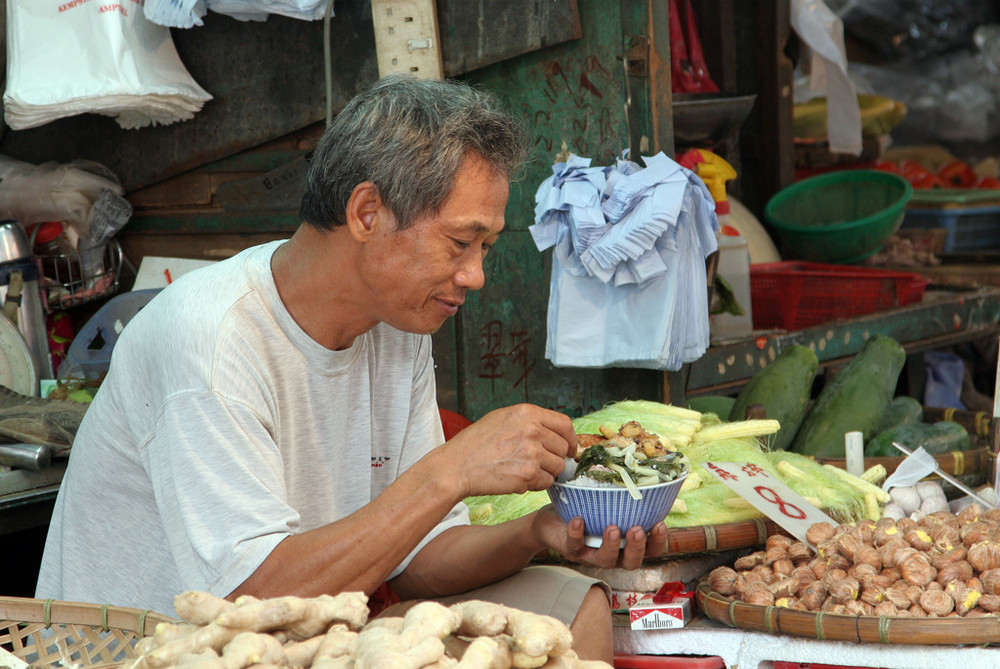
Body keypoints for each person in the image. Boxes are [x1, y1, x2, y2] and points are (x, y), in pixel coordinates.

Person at [35, 74, 668, 662]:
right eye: (459, 243)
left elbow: (417, 559)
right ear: (367, 214)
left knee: (571, 608)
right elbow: (251, 600)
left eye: (485, 248)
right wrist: (451, 470)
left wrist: (540, 531)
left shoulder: (399, 322)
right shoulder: (211, 338)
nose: (474, 276)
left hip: (309, 633)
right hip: (156, 649)